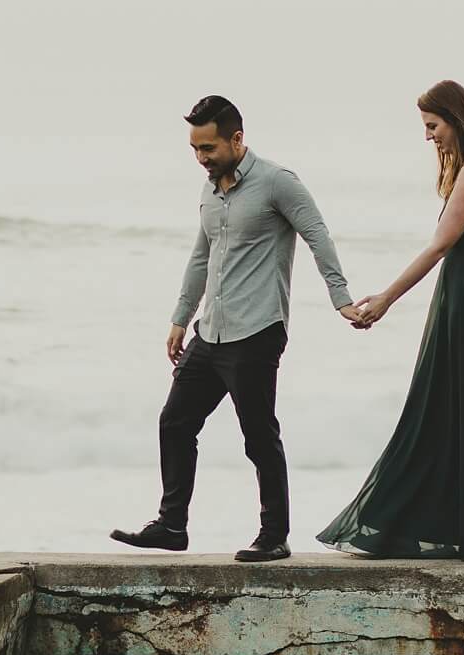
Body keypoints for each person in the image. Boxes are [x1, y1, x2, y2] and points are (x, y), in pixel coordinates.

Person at [317, 80, 464, 568]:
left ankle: (457, 526)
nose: (429, 136)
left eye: (433, 125)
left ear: (456, 118)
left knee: (450, 404)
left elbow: (439, 245)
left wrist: (386, 297)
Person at [113, 95, 362, 564]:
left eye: (208, 148)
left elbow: (317, 234)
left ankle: (275, 536)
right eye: (194, 149)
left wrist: (341, 299)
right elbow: (201, 257)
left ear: (237, 139)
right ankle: (171, 525)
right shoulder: (209, 191)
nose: (201, 159)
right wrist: (180, 318)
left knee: (258, 434)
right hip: (212, 331)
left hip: (257, 330)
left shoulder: (277, 183)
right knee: (175, 421)